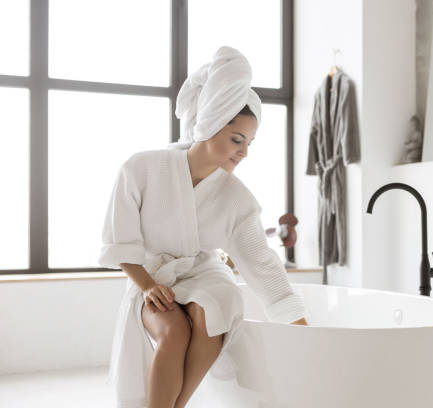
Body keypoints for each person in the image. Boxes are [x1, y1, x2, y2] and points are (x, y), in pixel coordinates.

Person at [99, 46, 308, 408]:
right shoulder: (141, 169)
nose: (243, 153)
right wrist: (148, 286)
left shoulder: (236, 198)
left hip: (203, 273)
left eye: (250, 144)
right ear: (210, 122)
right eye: (236, 139)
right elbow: (121, 242)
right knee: (175, 331)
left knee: (217, 304)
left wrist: (302, 327)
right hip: (153, 276)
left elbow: (261, 263)